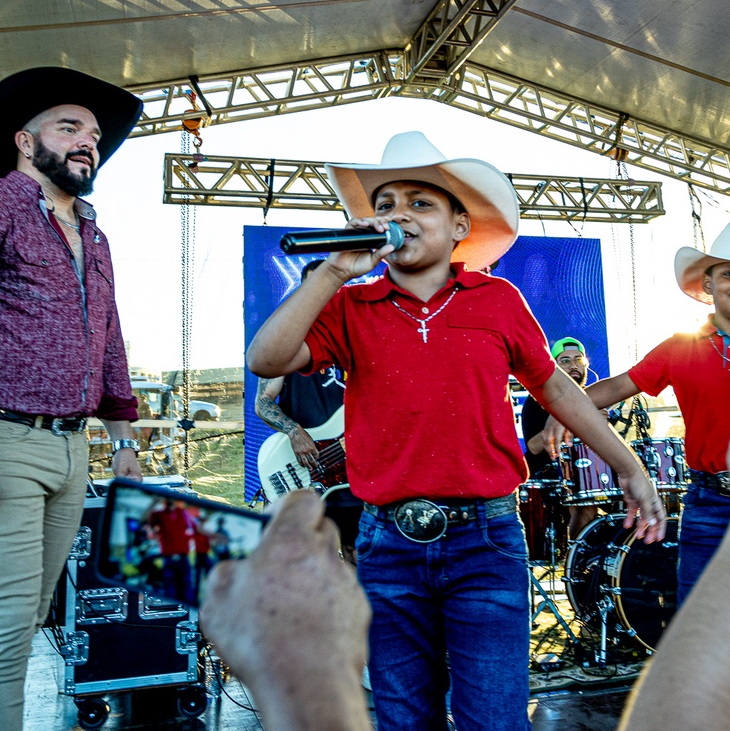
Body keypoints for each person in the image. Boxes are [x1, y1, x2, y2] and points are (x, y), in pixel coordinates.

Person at [200, 326, 730, 731]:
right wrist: (295, 431)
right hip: (363, 497)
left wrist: (625, 459)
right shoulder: (341, 321)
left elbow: (576, 393)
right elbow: (265, 376)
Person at [245, 131, 662, 731]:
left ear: (460, 226)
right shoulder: (350, 306)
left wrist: (629, 465)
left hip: (484, 541)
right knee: (404, 718)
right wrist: (333, 272)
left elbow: (556, 389)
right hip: (388, 543)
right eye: (385, 205)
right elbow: (266, 359)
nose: (398, 215)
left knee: (493, 718)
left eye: (420, 203)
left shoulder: (497, 299)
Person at [0, 67, 146, 730]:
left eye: (93, 134)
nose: (88, 141)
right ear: (24, 140)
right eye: (69, 128)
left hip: (71, 448)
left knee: (29, 618)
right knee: (1, 630)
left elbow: (109, 338)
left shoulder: (93, 234)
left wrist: (123, 440)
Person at [588, 221, 730, 731]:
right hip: (709, 504)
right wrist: (563, 410)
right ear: (707, 284)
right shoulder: (681, 345)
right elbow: (620, 385)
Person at [254, 259, 361, 555]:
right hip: (308, 467)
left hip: (357, 469)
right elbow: (263, 401)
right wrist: (294, 432)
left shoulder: (361, 335)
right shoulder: (288, 342)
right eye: (316, 286)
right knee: (303, 557)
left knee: (357, 552)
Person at [521, 336, 603, 536]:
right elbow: (533, 447)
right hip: (546, 480)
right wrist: (575, 421)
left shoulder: (593, 398)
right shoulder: (537, 400)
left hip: (583, 477)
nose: (573, 365)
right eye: (565, 361)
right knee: (584, 504)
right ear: (554, 366)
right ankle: (575, 552)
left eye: (578, 359)